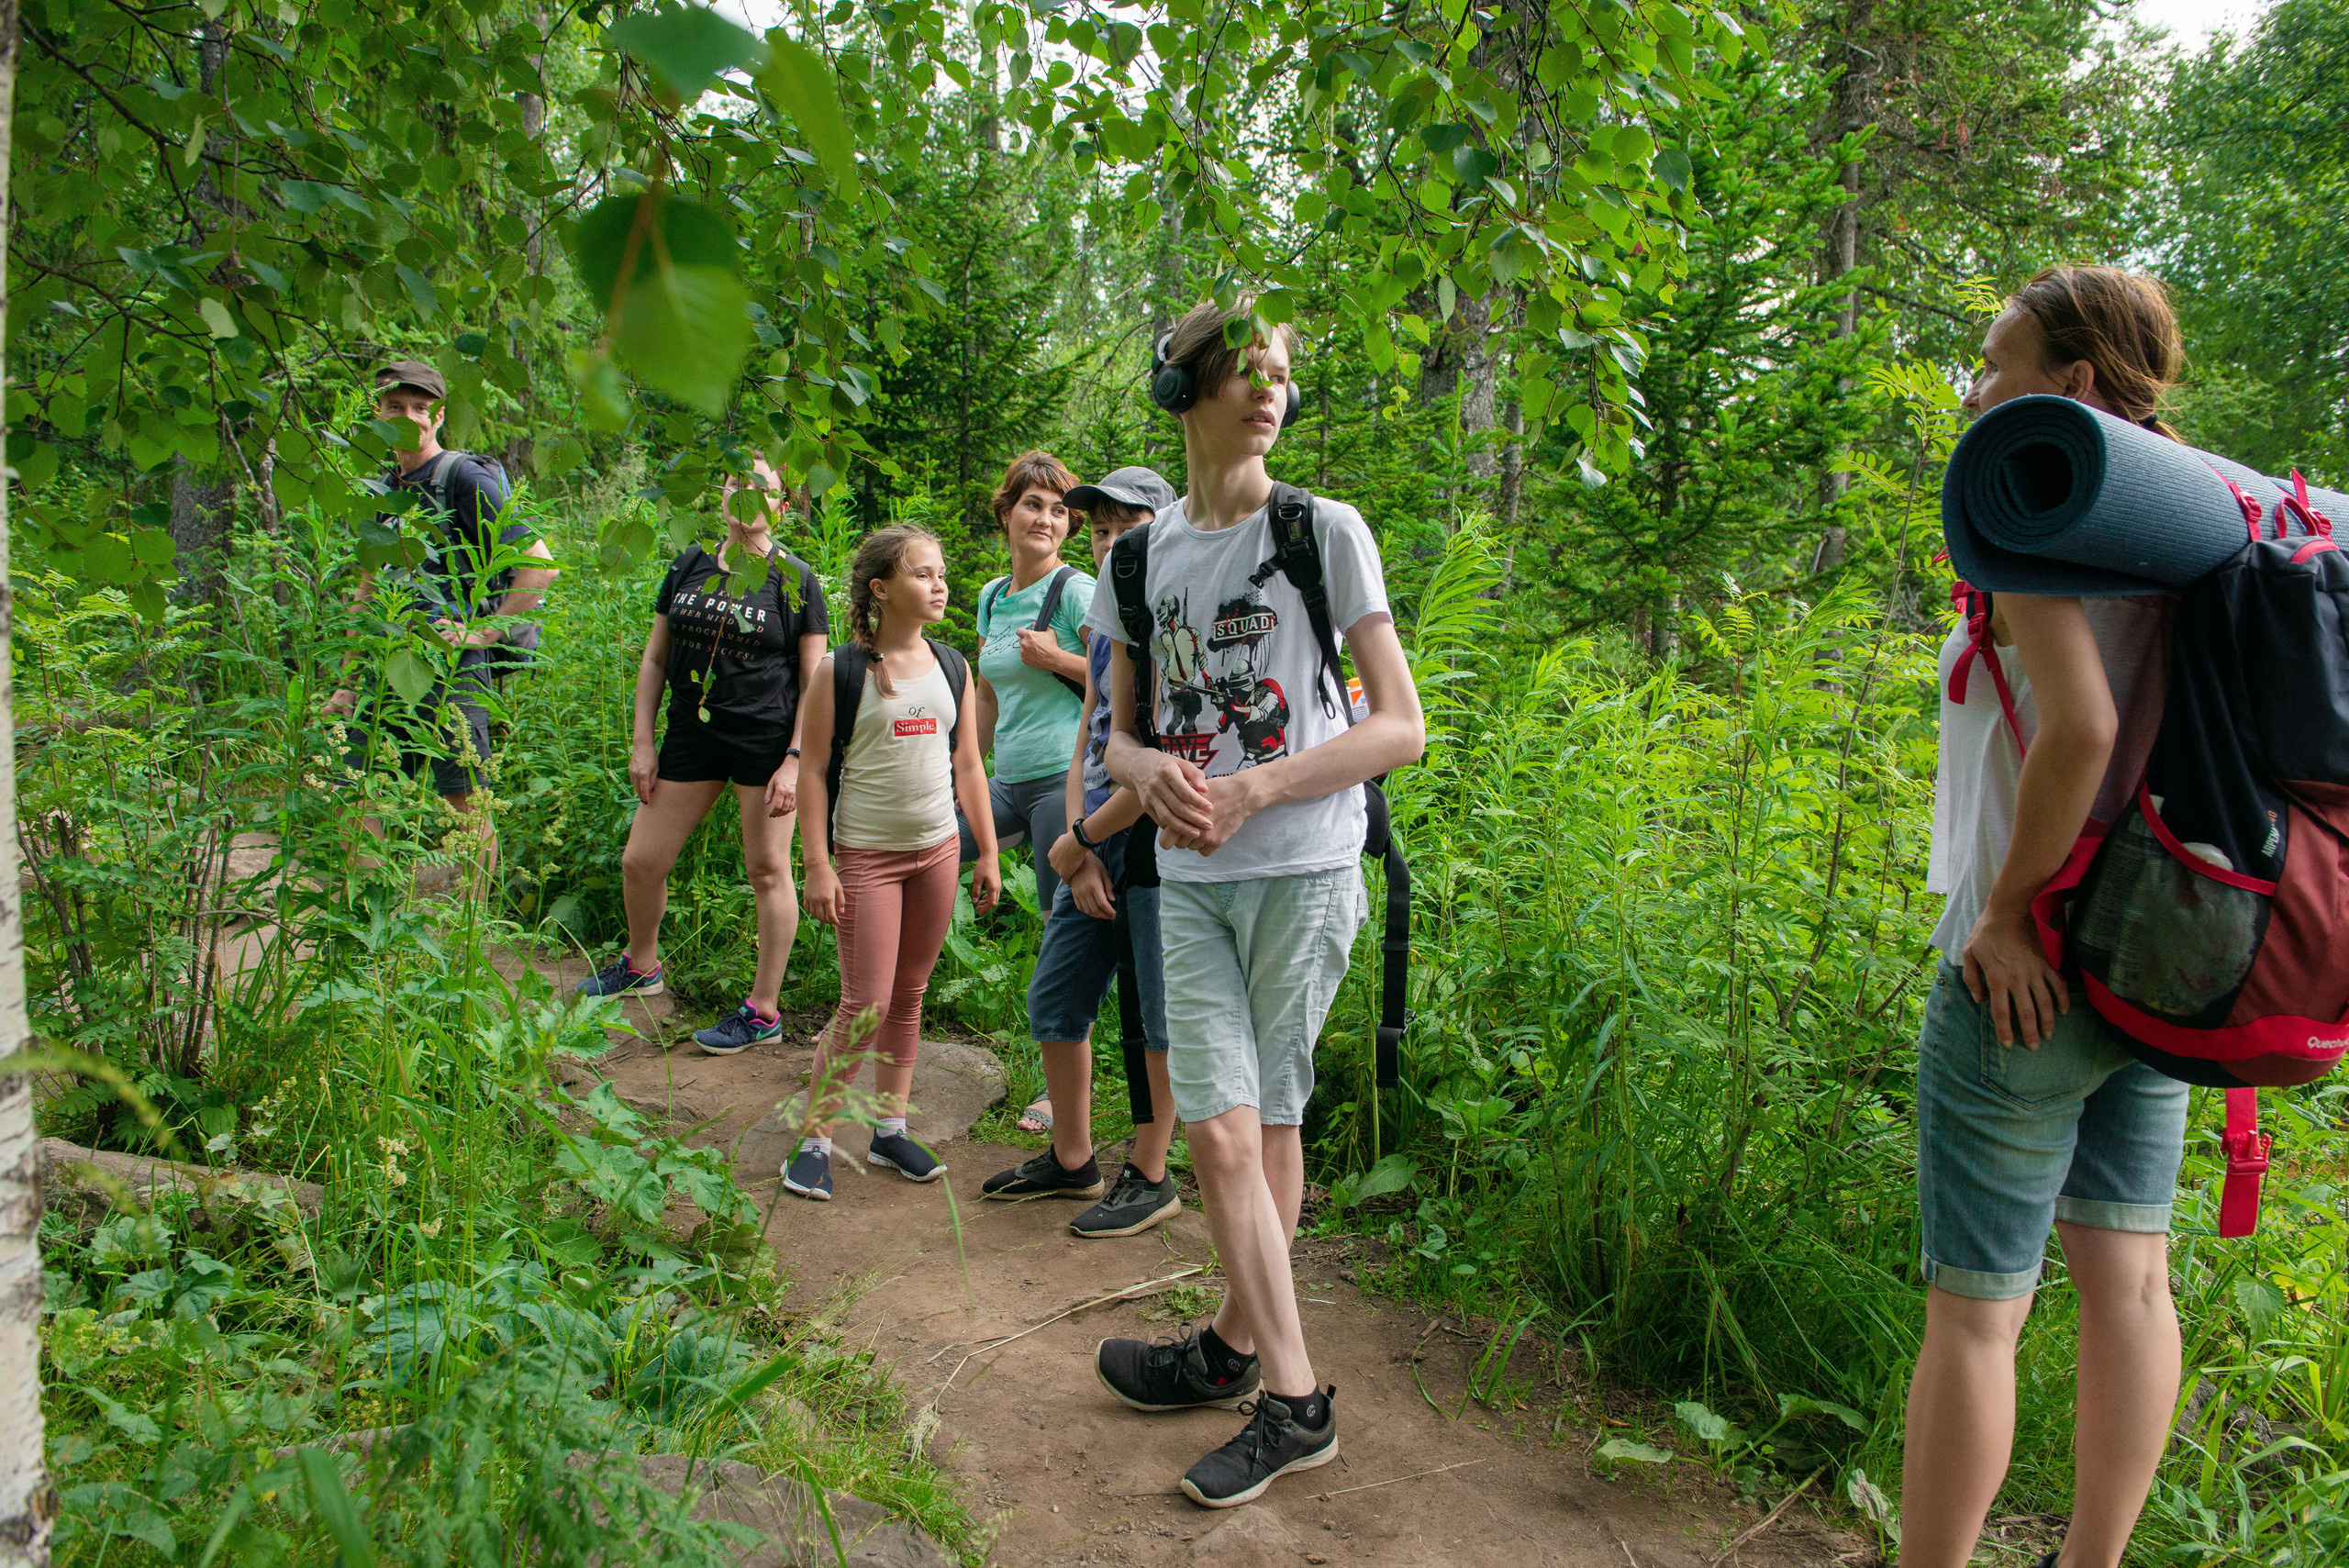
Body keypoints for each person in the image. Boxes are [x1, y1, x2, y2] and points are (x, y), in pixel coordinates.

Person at [1086, 302, 1425, 1507]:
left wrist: (1253, 788)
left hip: (1304, 865)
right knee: (1221, 1131)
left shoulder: (1320, 530)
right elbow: (1122, 736)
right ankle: (1267, 1371)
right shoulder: (1136, 559)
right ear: (1182, 392)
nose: (1268, 388)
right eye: (1243, 370)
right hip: (1186, 877)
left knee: (1263, 1126)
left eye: (1281, 372)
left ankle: (1268, 1378)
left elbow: (1401, 725)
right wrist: (1145, 777)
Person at [1905, 266, 2190, 1568]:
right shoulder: (2194, 524)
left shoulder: (2039, 509)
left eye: (1995, 361)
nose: (1977, 389)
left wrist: (2010, 911)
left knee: (1977, 1316)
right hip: (2166, 958)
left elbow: (2081, 724)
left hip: (2031, 971)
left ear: (2071, 387)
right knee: (2130, 1282)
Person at [979, 467, 1186, 1238]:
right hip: (1090, 834)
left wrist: (1080, 841)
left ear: (1162, 531)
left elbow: (1162, 760)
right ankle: (1072, 1159)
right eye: (1098, 530)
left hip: (1148, 841)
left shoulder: (1173, 623)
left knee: (1151, 1016)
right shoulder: (1104, 621)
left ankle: (1152, 1172)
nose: (1107, 543)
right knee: (1056, 1001)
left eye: (1123, 528)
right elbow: (1089, 734)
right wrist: (1076, 835)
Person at [575, 456, 828, 1056]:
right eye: (735, 482)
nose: (744, 494)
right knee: (640, 860)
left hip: (764, 744)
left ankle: (762, 1011)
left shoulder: (794, 578)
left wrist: (794, 759)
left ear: (782, 505)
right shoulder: (688, 563)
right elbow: (655, 659)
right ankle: (642, 965)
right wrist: (643, 740)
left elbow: (816, 682)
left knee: (767, 870)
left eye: (760, 487)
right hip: (692, 735)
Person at [786, 525, 1001, 1201]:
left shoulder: (953, 666)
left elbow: (967, 762)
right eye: (923, 574)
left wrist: (987, 849)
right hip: (866, 857)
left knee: (908, 996)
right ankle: (814, 1140)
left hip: (937, 850)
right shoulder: (841, 670)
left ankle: (889, 1129)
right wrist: (817, 863)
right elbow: (815, 770)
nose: (940, 585)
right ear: (881, 589)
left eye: (941, 574)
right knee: (865, 1003)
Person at [330, 360, 557, 888]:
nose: (408, 417)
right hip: (385, 660)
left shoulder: (464, 477)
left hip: (451, 667)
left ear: (437, 416)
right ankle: (372, 916)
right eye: (395, 407)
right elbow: (368, 588)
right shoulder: (384, 490)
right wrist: (345, 681)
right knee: (355, 787)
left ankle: (465, 938)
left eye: (420, 408)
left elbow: (537, 561)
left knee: (464, 799)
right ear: (377, 414)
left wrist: (484, 631)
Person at [959, 450, 1093, 926]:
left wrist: (1057, 660)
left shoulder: (1076, 592)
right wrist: (966, 772)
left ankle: (1054, 1001)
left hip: (1063, 780)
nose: (1045, 519)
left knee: (1058, 919)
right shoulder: (993, 595)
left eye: (1058, 510)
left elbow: (1126, 682)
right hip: (1004, 782)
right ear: (1005, 512)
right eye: (1033, 505)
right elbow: (987, 693)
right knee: (928, 843)